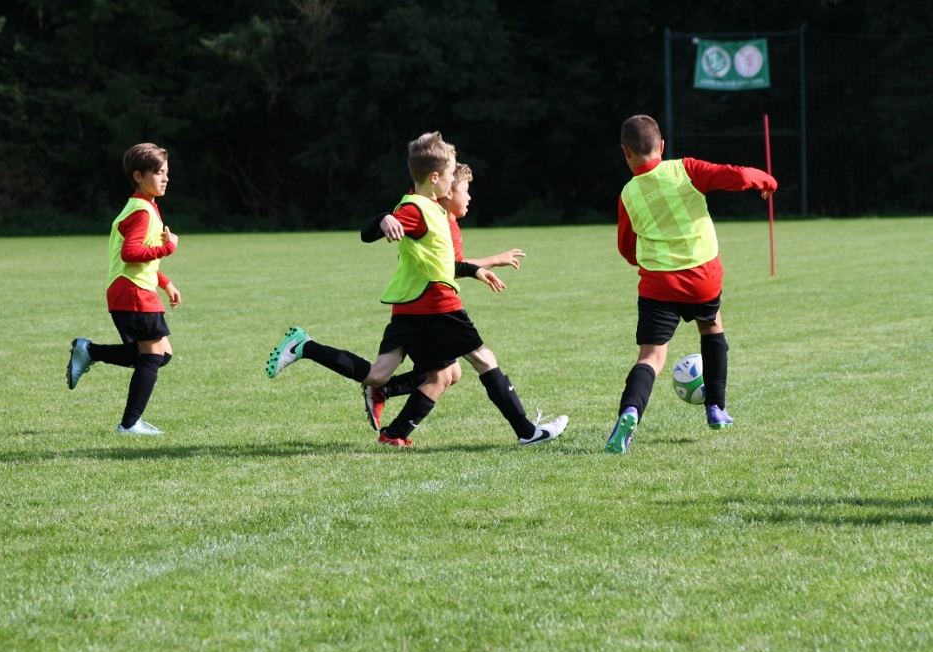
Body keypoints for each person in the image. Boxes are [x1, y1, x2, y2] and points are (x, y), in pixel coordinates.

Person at [266, 132, 567, 448]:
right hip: (437, 305)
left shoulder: (433, 208)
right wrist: (384, 219)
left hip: (410, 309)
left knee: (386, 375)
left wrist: (478, 268)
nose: (453, 180)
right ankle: (527, 432)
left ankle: (306, 347)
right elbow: (369, 234)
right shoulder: (417, 208)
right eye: (450, 174)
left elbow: (445, 262)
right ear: (435, 177)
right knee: (483, 358)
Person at [604, 114, 777, 454]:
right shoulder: (685, 169)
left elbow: (626, 247)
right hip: (702, 278)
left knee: (651, 356)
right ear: (662, 146)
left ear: (625, 152)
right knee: (711, 329)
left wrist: (647, 261)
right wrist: (766, 181)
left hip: (658, 284)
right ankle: (716, 408)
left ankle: (629, 412)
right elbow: (740, 176)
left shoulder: (628, 193)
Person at [360, 162, 526, 431]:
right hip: (425, 305)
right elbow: (452, 267)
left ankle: (388, 411)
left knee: (450, 373)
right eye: (465, 190)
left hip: (420, 304)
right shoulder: (439, 221)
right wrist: (491, 262)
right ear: (447, 190)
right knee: (463, 367)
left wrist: (484, 267)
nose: (469, 197)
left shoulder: (445, 220)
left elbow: (451, 266)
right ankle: (526, 430)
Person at [66, 143, 181, 436]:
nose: (165, 178)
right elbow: (131, 253)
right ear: (139, 176)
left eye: (166, 172)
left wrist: (165, 282)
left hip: (133, 290)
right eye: (159, 173)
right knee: (152, 356)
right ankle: (129, 424)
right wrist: (168, 248)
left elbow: (137, 259)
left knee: (161, 354)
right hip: (134, 293)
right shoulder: (142, 211)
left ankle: (89, 351)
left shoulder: (144, 206)